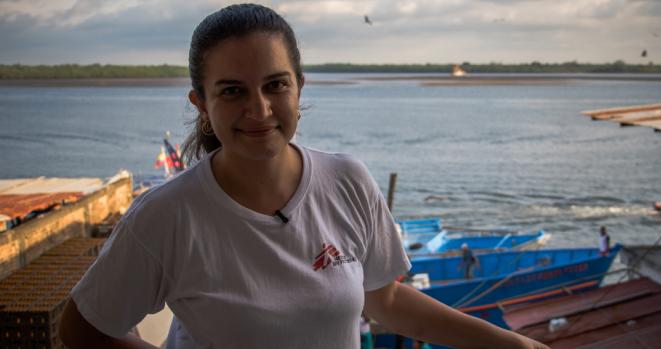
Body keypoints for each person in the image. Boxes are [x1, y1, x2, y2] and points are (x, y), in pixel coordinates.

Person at [58, 4, 549, 349]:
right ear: (201, 105)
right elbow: (83, 330)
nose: (259, 109)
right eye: (232, 91)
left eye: (275, 85)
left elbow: (387, 300)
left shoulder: (347, 181)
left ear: (298, 86)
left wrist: (508, 343)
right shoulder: (168, 216)